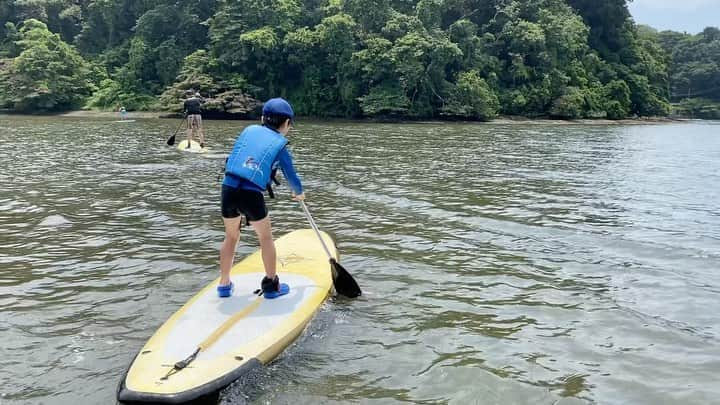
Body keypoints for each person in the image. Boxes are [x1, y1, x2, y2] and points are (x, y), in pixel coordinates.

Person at [218, 98, 305, 298]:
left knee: (231, 236)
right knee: (265, 237)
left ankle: (224, 284)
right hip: (250, 195)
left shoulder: (249, 130)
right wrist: (298, 192)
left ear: (262, 118)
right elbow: (291, 175)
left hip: (228, 189)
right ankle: (271, 285)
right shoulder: (280, 146)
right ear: (287, 124)